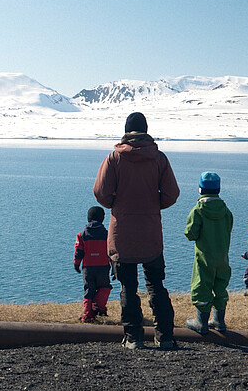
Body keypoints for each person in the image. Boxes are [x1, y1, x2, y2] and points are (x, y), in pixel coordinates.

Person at [93, 112, 181, 349]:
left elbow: (101, 193)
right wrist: (153, 206)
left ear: (125, 130)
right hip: (151, 233)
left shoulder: (114, 158)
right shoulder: (159, 159)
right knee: (156, 285)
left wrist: (117, 204)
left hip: (122, 234)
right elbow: (172, 194)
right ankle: (165, 337)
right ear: (146, 130)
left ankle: (133, 337)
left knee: (127, 287)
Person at [184, 172, 233, 334]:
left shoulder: (198, 211)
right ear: (218, 189)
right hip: (222, 256)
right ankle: (219, 321)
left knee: (201, 285)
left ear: (200, 189)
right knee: (220, 286)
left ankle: (201, 322)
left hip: (204, 256)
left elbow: (190, 234)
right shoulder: (226, 211)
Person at [73, 206, 112, 323]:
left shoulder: (82, 235)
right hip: (103, 266)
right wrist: (115, 267)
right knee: (105, 287)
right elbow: (112, 252)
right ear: (103, 219)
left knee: (89, 290)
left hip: (88, 268)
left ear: (88, 218)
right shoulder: (107, 234)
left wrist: (76, 264)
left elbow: (78, 252)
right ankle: (99, 305)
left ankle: (88, 315)